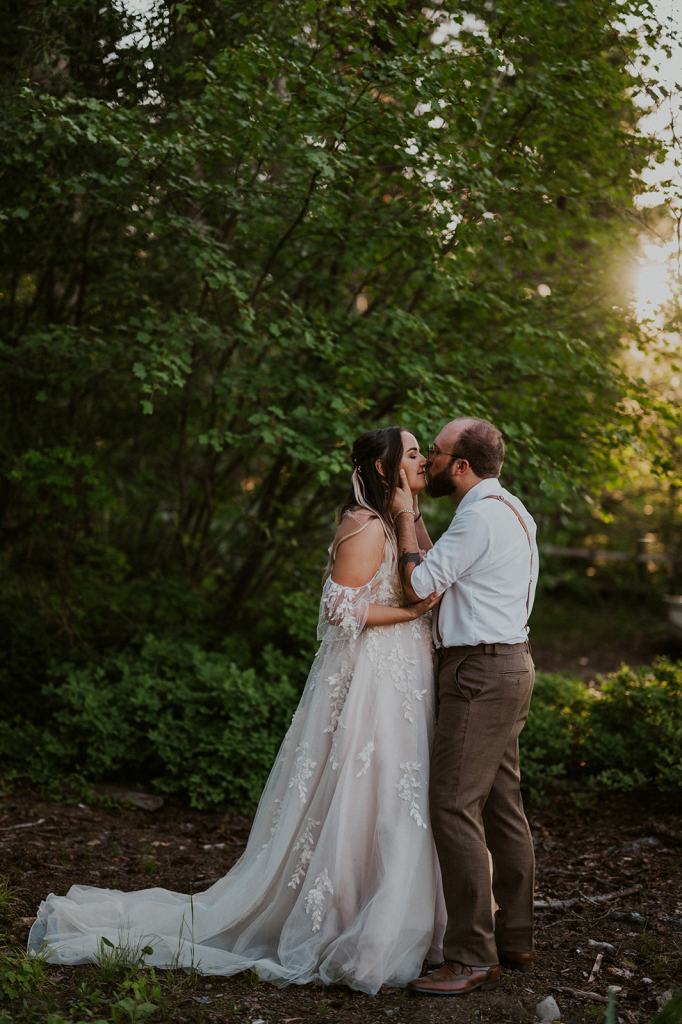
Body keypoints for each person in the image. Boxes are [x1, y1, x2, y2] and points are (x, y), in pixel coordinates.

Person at [28, 427, 446, 995]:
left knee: (400, 795)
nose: (424, 459)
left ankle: (396, 915)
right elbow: (341, 609)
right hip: (374, 676)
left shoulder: (395, 518)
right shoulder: (365, 526)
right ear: (382, 465)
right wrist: (413, 614)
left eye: (424, 450)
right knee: (361, 791)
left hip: (405, 677)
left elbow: (422, 571)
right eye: (414, 452)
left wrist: (409, 514)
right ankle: (348, 921)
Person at [390, 417, 539, 997]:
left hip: (478, 673)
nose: (426, 459)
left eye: (436, 451)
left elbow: (418, 587)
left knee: (453, 805)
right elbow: (448, 569)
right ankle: (516, 937)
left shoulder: (476, 516)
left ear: (460, 465)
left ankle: (472, 955)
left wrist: (403, 514)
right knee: (503, 804)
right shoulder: (511, 510)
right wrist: (418, 522)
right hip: (510, 664)